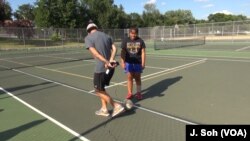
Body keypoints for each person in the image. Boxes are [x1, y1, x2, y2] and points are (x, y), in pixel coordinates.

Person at [85, 21, 124, 117]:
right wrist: (110, 60)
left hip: (101, 69)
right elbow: (115, 48)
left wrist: (106, 62)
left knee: (97, 91)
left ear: (88, 31)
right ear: (96, 28)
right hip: (110, 69)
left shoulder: (88, 38)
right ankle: (104, 109)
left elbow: (96, 54)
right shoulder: (107, 36)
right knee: (102, 88)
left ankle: (116, 106)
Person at [120, 27, 146, 100]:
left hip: (138, 62)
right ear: (129, 33)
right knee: (129, 77)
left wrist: (143, 63)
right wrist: (122, 62)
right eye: (132, 33)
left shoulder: (140, 41)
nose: (133, 35)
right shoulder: (125, 40)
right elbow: (123, 52)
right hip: (128, 62)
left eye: (135, 34)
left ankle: (138, 93)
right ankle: (130, 93)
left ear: (137, 33)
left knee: (138, 78)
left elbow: (143, 52)